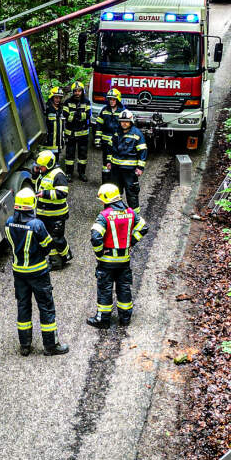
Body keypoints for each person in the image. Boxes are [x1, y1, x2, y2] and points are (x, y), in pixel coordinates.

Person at [6, 187, 70, 357]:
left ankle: (25, 345)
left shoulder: (9, 222)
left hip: (19, 272)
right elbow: (48, 246)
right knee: (46, 307)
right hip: (38, 273)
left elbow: (10, 244)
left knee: (23, 306)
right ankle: (51, 346)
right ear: (32, 205)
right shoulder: (36, 224)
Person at [87, 183, 147, 328]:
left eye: (102, 199)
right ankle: (125, 318)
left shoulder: (104, 216)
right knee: (124, 288)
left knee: (105, 290)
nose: (101, 202)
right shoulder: (130, 212)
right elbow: (143, 227)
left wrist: (99, 252)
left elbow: (96, 237)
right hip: (124, 260)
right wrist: (131, 241)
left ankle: (103, 320)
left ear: (107, 199)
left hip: (107, 262)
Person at [33, 150, 72, 269]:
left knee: (57, 238)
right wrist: (35, 173)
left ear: (49, 165)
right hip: (44, 213)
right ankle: (55, 262)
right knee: (49, 238)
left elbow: (62, 192)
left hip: (56, 215)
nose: (40, 169)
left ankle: (66, 255)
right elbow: (36, 183)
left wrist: (45, 194)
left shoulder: (58, 175)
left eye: (42, 167)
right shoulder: (43, 173)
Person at [104, 109, 148, 210]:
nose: (124, 123)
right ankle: (114, 214)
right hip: (116, 169)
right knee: (114, 193)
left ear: (131, 121)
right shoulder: (117, 133)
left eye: (126, 121)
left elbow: (143, 151)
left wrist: (140, 168)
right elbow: (110, 147)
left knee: (131, 194)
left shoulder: (137, 134)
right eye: (122, 121)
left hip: (130, 171)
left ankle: (135, 217)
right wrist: (109, 161)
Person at [65, 81, 93, 180]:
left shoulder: (87, 102)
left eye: (79, 91)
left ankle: (82, 173)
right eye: (75, 91)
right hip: (71, 133)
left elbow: (88, 115)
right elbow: (66, 116)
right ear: (72, 92)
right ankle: (69, 174)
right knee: (69, 155)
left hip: (83, 134)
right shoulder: (67, 102)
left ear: (82, 91)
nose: (77, 93)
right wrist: (79, 115)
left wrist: (74, 115)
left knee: (83, 155)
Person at [96, 88, 127, 152]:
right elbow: (99, 125)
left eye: (113, 99)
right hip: (105, 142)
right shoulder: (104, 110)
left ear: (118, 100)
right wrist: (98, 138)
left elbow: (126, 127)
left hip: (117, 142)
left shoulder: (123, 112)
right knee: (105, 160)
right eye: (110, 99)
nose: (111, 101)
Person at [42, 85, 66, 161]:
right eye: (56, 97)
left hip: (58, 144)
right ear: (52, 97)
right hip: (48, 144)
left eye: (59, 98)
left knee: (56, 163)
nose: (58, 100)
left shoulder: (61, 110)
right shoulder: (47, 109)